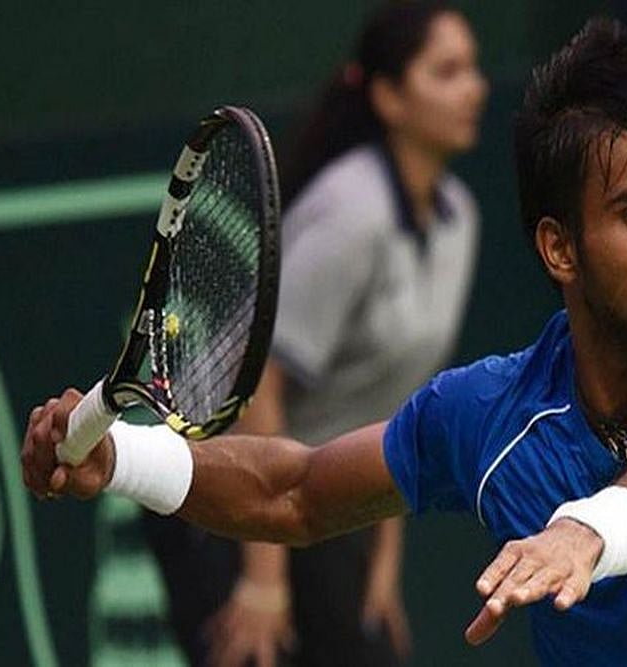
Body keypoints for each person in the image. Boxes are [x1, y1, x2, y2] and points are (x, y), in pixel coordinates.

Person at [22, 18, 627, 666]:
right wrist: (119, 459)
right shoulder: (493, 414)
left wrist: (591, 529)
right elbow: (294, 491)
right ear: (559, 249)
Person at [140, 2, 487, 665]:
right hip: (223, 487)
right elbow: (255, 389)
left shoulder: (459, 219)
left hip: (321, 491)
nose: (473, 88)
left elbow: (396, 405)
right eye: (447, 72)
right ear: (388, 97)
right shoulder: (350, 213)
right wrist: (263, 581)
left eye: (473, 68)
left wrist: (382, 560)